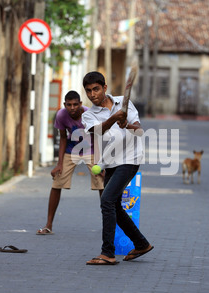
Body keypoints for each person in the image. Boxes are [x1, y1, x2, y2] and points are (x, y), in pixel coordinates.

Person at [82, 71, 153, 265]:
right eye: (88, 91)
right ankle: (141, 243)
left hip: (130, 158)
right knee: (113, 205)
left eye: (96, 89)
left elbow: (139, 130)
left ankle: (108, 253)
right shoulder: (88, 115)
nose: (92, 94)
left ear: (104, 88)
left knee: (106, 200)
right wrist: (114, 119)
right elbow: (97, 131)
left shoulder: (124, 103)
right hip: (110, 161)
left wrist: (126, 123)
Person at [36, 90, 103, 235]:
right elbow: (63, 138)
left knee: (102, 184)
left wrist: (100, 162)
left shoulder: (89, 115)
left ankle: (110, 226)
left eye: (75, 104)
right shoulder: (61, 115)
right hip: (71, 151)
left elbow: (98, 137)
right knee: (56, 183)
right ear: (64, 104)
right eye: (69, 105)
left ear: (80, 104)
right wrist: (59, 163)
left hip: (91, 150)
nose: (72, 108)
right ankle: (48, 225)